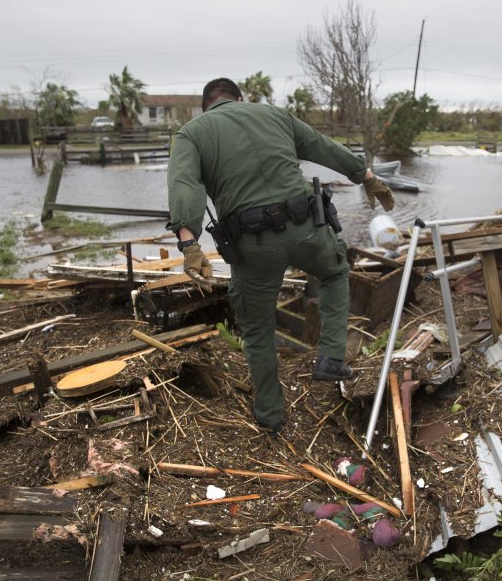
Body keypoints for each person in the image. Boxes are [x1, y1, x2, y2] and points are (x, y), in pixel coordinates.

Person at [166, 77, 395, 434]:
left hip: (252, 245)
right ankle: (332, 357)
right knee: (334, 274)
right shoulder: (275, 115)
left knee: (258, 330)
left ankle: (270, 417)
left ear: (206, 106)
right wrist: (366, 176)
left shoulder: (191, 134)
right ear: (239, 99)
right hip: (307, 228)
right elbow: (323, 147)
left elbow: (184, 186)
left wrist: (190, 245)